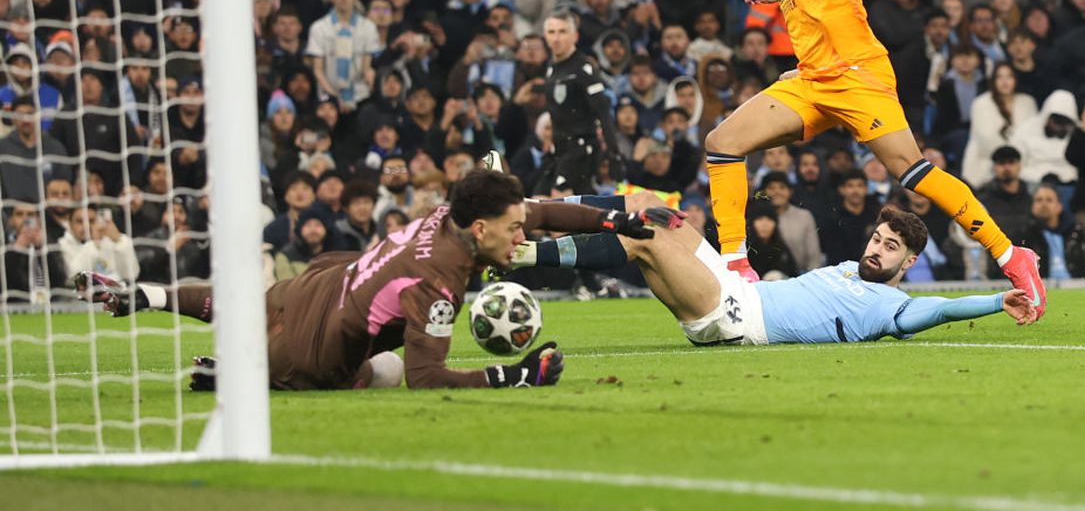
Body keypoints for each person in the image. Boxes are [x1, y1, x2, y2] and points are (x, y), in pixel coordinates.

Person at [708, 0, 1045, 319]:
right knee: (722, 144)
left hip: (859, 77)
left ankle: (1010, 256)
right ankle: (735, 266)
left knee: (912, 170)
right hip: (812, 81)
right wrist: (802, 58)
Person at [77, 170, 661, 391]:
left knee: (252, 303)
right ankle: (244, 377)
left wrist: (621, 218)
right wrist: (516, 375)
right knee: (379, 370)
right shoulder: (440, 283)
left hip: (312, 288)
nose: (521, 239)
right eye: (511, 231)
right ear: (480, 227)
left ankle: (146, 295)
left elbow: (546, 210)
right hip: (309, 356)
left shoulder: (457, 212)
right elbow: (428, 378)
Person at [517, 206, 1036, 346]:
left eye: (891, 248)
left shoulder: (891, 310)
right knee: (653, 211)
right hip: (738, 289)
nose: (877, 250)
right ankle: (525, 209)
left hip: (734, 318)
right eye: (878, 239)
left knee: (640, 240)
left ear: (910, 263)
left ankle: (520, 256)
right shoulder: (847, 268)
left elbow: (942, 309)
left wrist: (996, 301)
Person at [538, 12, 622, 194]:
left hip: (581, 148)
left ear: (575, 36)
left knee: (558, 199)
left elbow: (603, 111)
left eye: (562, 32)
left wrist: (614, 153)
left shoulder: (583, 69)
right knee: (538, 197)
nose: (556, 38)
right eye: (551, 32)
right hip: (559, 148)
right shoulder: (551, 68)